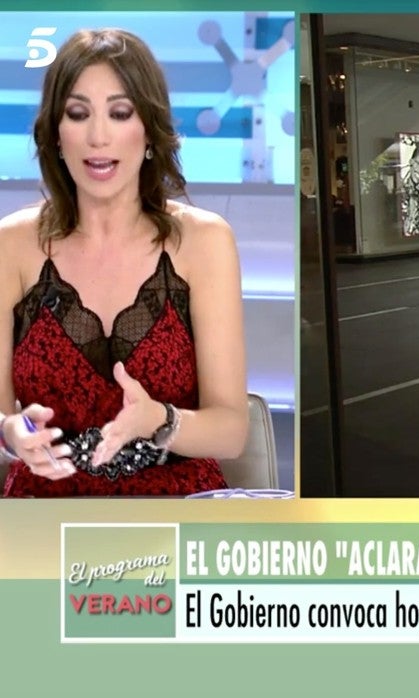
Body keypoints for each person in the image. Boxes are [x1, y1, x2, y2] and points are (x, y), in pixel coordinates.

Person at [0, 29, 249, 497]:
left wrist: (161, 419)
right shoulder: (10, 244)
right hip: (45, 509)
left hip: (175, 506)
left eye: (120, 113)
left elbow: (232, 430)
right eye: (78, 114)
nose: (98, 137)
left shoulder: (205, 241)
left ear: (149, 132)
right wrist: (11, 433)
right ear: (56, 133)